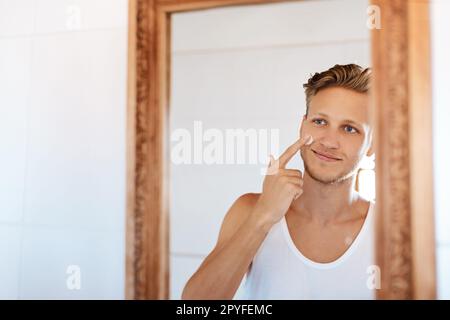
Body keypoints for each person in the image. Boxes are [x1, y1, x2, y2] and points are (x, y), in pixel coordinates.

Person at [182, 64, 376, 299]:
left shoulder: (388, 230)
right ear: (302, 125)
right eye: (320, 122)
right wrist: (263, 216)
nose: (329, 141)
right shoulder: (249, 211)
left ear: (372, 145)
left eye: (349, 128)